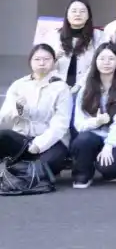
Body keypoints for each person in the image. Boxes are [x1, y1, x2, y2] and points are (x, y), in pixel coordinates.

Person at [69, 43, 116, 188]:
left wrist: (109, 146)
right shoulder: (86, 87)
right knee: (82, 141)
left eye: (111, 59)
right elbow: (79, 124)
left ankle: (112, 170)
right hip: (93, 134)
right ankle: (83, 174)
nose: (106, 63)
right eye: (102, 59)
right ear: (95, 61)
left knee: (109, 168)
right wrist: (96, 121)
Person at [0, 44, 72, 176]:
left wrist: (39, 145)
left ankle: (20, 170)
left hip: (51, 141)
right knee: (2, 136)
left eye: (47, 59)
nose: (42, 63)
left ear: (54, 62)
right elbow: (4, 117)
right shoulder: (19, 85)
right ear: (30, 61)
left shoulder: (61, 87)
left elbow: (60, 124)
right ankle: (21, 170)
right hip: (23, 138)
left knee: (47, 164)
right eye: (37, 59)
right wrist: (18, 110)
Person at [51, 0, 104, 90]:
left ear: (88, 15)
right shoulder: (55, 36)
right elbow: (45, 64)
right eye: (74, 11)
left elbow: (100, 63)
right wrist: (54, 58)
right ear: (67, 15)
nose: (78, 14)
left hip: (88, 87)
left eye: (82, 11)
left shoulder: (99, 36)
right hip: (58, 88)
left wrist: (80, 85)